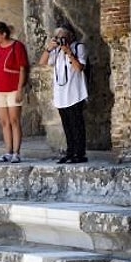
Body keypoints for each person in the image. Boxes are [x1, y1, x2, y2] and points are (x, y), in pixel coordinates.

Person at [39, 24, 89, 164]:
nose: (60, 40)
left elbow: (79, 68)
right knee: (67, 125)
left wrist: (68, 52)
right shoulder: (56, 51)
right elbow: (42, 63)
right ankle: (70, 152)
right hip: (61, 95)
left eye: (62, 38)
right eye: (58, 38)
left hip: (75, 93)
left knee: (77, 125)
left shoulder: (79, 47)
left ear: (70, 36)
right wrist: (49, 48)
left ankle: (79, 154)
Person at [0, 21, 29, 164]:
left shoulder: (17, 47)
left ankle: (17, 153)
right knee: (4, 122)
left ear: (4, 34)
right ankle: (8, 152)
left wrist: (20, 89)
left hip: (13, 88)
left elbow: (23, 68)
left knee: (14, 121)